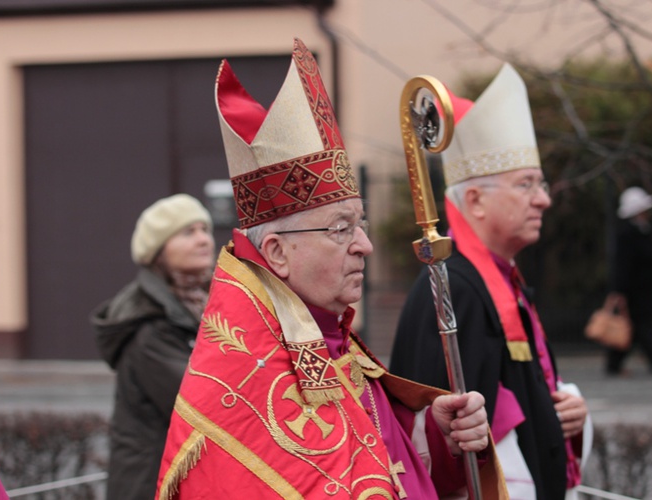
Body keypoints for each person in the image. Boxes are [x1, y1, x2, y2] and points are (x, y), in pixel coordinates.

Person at [155, 38, 507, 499]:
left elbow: (396, 473)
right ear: (277, 253)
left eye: (360, 224)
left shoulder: (338, 348)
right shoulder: (242, 385)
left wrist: (439, 438)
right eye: (341, 229)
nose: (365, 245)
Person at [390, 64, 590, 500]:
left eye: (541, 184)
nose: (544, 199)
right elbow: (438, 436)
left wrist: (568, 411)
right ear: (475, 201)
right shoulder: (454, 289)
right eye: (526, 185)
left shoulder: (507, 280)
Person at [92, 193, 215, 500]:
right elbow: (199, 402)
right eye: (188, 232)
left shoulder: (207, 302)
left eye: (205, 229)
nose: (203, 240)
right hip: (151, 484)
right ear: (158, 251)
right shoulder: (148, 325)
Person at [607, 186, 652, 376]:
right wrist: (619, 290)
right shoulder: (627, 234)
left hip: (645, 290)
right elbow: (622, 264)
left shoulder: (643, 230)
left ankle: (614, 364)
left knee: (633, 328)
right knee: (640, 327)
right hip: (634, 291)